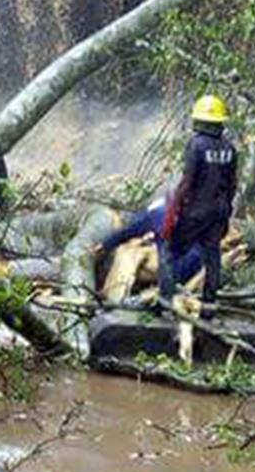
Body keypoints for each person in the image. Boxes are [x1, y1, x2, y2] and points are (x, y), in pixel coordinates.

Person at [158, 93, 237, 314]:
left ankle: (165, 301)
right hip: (219, 211)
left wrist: (173, 208)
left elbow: (187, 182)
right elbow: (233, 185)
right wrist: (227, 212)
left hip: (196, 211)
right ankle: (210, 303)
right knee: (213, 255)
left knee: (169, 250)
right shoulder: (230, 148)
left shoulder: (196, 145)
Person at [93, 199, 207, 297]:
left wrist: (105, 245)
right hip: (186, 264)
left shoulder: (162, 211)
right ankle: (113, 296)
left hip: (177, 266)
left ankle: (112, 300)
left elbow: (130, 230)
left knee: (128, 253)